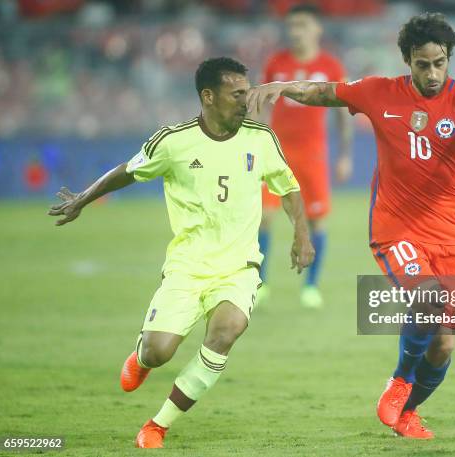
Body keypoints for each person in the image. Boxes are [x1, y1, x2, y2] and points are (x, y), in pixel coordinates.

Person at [247, 12, 455, 439]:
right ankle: (400, 380)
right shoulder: (379, 93)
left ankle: (407, 411)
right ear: (408, 59)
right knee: (425, 296)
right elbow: (323, 93)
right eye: (423, 63)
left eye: (440, 63)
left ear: (449, 59)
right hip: (395, 230)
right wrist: (284, 86)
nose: (432, 73)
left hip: (447, 235)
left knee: (444, 342)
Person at [48, 57, 315, 448]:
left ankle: (157, 425)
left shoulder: (260, 139)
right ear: (208, 96)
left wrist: (301, 236)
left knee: (227, 331)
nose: (248, 100)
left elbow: (288, 187)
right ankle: (142, 358)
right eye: (237, 94)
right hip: (187, 268)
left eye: (248, 91)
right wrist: (84, 200)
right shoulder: (174, 141)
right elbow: (129, 169)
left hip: (239, 267)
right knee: (160, 352)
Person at [257, 3, 352, 308]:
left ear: (317, 29)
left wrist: (344, 155)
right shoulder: (276, 63)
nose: (296, 31)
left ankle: (310, 286)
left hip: (313, 156)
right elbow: (261, 106)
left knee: (316, 221)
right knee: (263, 218)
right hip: (277, 153)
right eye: (293, 25)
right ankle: (260, 284)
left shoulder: (331, 66)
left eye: (303, 25)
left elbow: (343, 113)